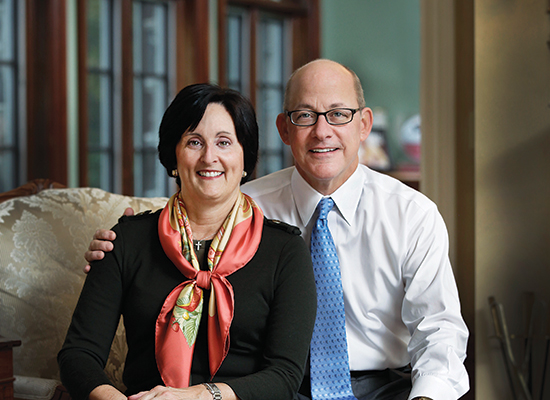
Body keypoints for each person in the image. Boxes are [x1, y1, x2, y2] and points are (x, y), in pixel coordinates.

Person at [85, 59, 470, 400]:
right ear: (284, 129)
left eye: (338, 114)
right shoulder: (245, 205)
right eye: (305, 116)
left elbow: (439, 331)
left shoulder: (411, 214)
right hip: (274, 385)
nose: (322, 131)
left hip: (385, 386)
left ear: (364, 124)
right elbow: (187, 215)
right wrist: (118, 244)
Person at [59, 83, 317, 400]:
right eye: (195, 142)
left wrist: (200, 396)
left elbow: (285, 375)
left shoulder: (284, 250)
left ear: (245, 158)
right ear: (173, 156)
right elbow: (78, 354)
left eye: (224, 142)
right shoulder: (127, 240)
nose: (210, 157)